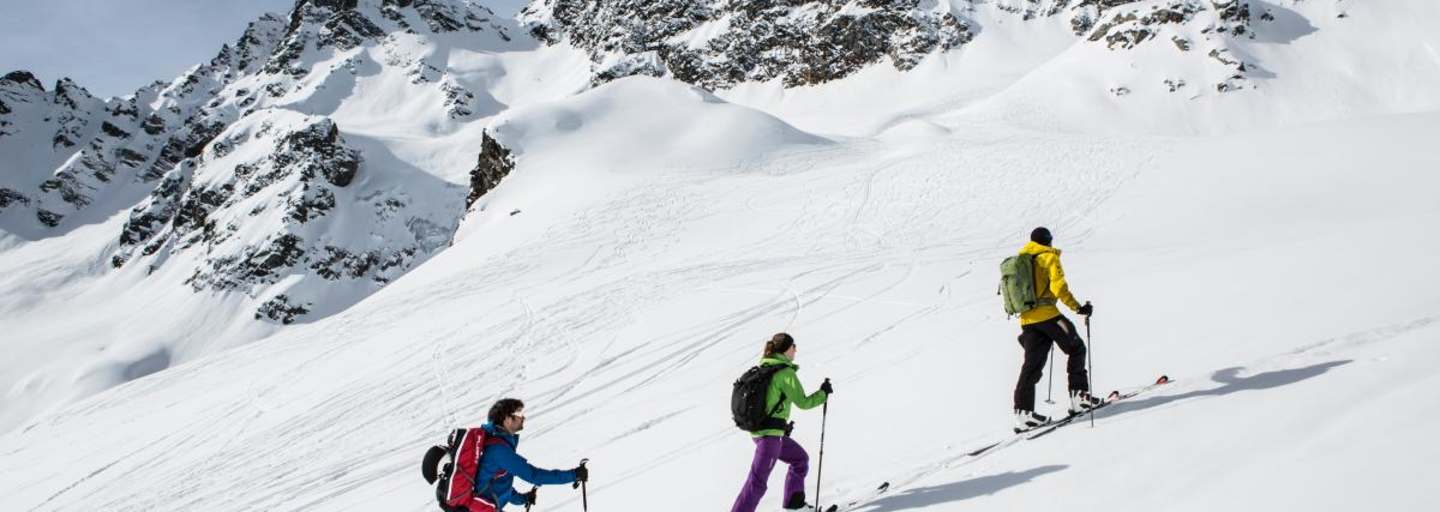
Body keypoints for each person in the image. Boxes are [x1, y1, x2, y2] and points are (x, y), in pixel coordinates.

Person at [731, 333, 833, 512]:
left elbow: (769, 402)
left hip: (766, 434)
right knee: (757, 482)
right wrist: (823, 394)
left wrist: (781, 426)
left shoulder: (765, 368)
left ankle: (795, 505)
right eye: (794, 346)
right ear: (786, 349)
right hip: (769, 438)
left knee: (800, 459)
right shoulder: (785, 373)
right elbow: (804, 402)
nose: (796, 350)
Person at [1013, 227, 1099, 432]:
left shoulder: (1022, 260)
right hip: (1048, 315)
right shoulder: (1048, 257)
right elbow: (1059, 288)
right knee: (1076, 348)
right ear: (1048, 241)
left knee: (1032, 365)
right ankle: (1079, 398)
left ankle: (1023, 414)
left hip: (1027, 320)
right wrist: (1078, 307)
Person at [471, 398, 588, 511]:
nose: (523, 417)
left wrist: (523, 498)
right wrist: (574, 475)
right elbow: (534, 475)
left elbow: (496, 484)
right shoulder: (498, 450)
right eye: (519, 414)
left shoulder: (494, 444)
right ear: (507, 419)